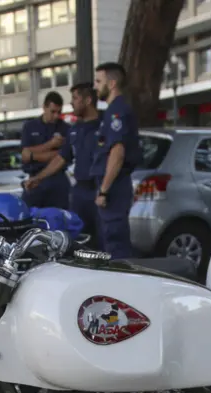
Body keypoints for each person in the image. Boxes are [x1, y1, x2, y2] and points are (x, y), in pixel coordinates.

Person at [24, 83, 102, 247]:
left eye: (75, 98)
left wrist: (105, 190)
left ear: (88, 100)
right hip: (80, 191)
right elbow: (61, 158)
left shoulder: (104, 124)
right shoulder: (75, 130)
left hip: (99, 189)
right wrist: (38, 178)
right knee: (78, 240)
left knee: (104, 240)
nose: (71, 103)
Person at [90, 62, 141, 259]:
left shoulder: (117, 112)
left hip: (114, 189)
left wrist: (104, 190)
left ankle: (121, 277)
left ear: (111, 84)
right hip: (113, 187)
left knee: (115, 246)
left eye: (98, 81)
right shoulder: (113, 111)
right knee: (108, 244)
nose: (95, 86)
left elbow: (117, 153)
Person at [19, 91, 70, 210]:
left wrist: (33, 155)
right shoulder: (30, 126)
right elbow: (25, 155)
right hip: (34, 178)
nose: (56, 116)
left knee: (60, 217)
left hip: (57, 180)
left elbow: (62, 156)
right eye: (53, 111)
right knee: (29, 216)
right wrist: (51, 144)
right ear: (44, 107)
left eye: (59, 112)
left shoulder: (66, 128)